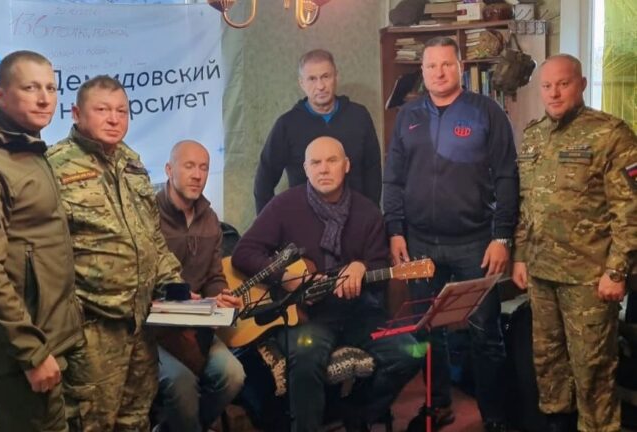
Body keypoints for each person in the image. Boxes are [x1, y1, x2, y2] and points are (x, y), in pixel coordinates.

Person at [233, 136, 422, 432]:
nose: (323, 169)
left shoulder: (368, 212)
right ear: (305, 168)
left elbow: (380, 266)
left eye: (332, 161)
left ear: (346, 165)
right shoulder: (285, 205)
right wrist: (284, 276)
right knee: (306, 357)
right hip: (307, 318)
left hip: (358, 313)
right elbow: (243, 253)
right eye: (316, 162)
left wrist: (362, 266)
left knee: (410, 353)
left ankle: (358, 412)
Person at [383, 36, 519, 432]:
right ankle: (437, 403)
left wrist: (502, 236)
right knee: (426, 329)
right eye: (431, 66)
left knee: (485, 333)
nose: (438, 72)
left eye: (446, 64)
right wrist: (395, 230)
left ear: (460, 67)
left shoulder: (487, 112)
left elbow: (507, 177)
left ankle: (494, 416)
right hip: (419, 242)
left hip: (475, 243)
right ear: (422, 71)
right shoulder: (408, 115)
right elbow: (393, 178)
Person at [46, 75, 184, 431]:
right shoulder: (54, 167)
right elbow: (41, 255)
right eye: (102, 110)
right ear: (77, 113)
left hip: (139, 328)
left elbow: (151, 236)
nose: (113, 119)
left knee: (136, 421)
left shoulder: (131, 162)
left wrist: (175, 287)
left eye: (122, 111)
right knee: (91, 424)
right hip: (91, 332)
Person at [512, 54, 636, 432]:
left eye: (563, 84)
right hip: (541, 273)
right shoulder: (533, 135)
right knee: (548, 366)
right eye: (547, 86)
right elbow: (527, 203)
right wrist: (520, 256)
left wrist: (617, 271)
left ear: (580, 84)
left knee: (592, 370)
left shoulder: (611, 134)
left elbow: (630, 210)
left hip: (589, 277)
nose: (554, 93)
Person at [0, 50, 84, 432]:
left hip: (49, 337)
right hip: (22, 352)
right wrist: (31, 353)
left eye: (51, 88)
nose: (44, 98)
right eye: (30, 88)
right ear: (1, 95)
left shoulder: (28, 150)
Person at [155, 140, 245, 431]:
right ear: (169, 170)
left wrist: (221, 298)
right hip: (156, 330)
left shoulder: (210, 219)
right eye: (189, 166)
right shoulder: (147, 215)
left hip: (197, 326)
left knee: (233, 376)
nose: (197, 175)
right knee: (181, 385)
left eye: (204, 167)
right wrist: (180, 299)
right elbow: (141, 280)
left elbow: (214, 276)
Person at [253, 48, 382, 214]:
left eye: (325, 77)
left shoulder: (359, 116)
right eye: (312, 79)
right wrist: (268, 223)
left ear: (336, 77)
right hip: (304, 219)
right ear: (302, 83)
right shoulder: (287, 124)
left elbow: (373, 170)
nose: (320, 86)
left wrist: (371, 215)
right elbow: (264, 178)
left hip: (355, 217)